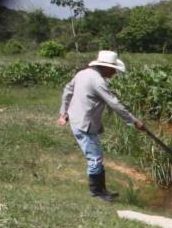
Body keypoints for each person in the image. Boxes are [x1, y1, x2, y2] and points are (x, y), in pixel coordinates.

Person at [58, 50, 146, 202]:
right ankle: (96, 193)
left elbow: (67, 90)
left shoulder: (82, 73)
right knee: (95, 158)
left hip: (79, 120)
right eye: (113, 69)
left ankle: (102, 190)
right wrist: (134, 121)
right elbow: (114, 104)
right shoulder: (97, 81)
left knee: (97, 156)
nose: (114, 73)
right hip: (84, 124)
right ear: (105, 67)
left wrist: (63, 112)